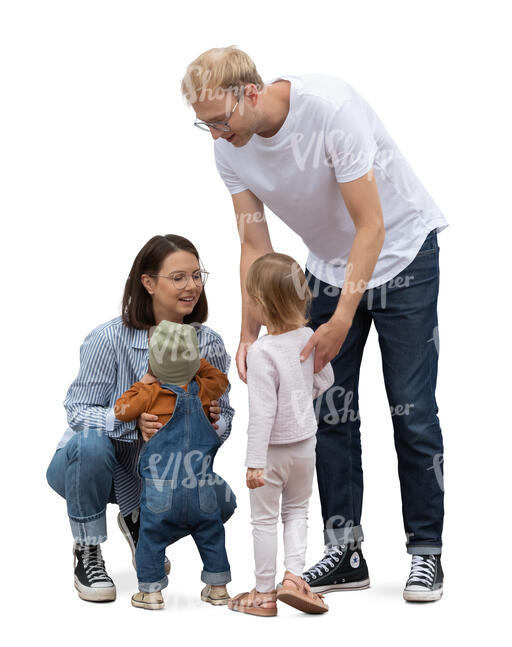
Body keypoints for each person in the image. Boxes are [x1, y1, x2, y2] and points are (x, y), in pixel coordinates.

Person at [181, 46, 447, 602]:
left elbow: (370, 225)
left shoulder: (331, 109)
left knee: (412, 410)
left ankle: (426, 554)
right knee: (325, 410)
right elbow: (254, 245)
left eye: (220, 121)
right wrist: (248, 332)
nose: (214, 135)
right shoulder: (229, 150)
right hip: (326, 268)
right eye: (202, 124)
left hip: (401, 255)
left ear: (249, 93)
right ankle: (345, 551)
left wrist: (343, 317)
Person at [46, 234, 236, 602]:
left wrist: (212, 423)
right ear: (148, 283)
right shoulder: (108, 338)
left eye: (197, 276)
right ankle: (87, 550)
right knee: (90, 443)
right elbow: (77, 411)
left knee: (220, 501)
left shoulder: (208, 342)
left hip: (164, 474)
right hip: (91, 467)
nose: (192, 286)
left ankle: (141, 523)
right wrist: (132, 423)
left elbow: (226, 412)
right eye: (178, 277)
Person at [228, 253, 332, 617]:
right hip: (306, 445)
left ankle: (263, 594)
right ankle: (293, 578)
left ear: (259, 303)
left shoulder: (261, 352)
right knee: (298, 511)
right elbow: (326, 380)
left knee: (263, 520)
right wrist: (301, 399)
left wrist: (254, 462)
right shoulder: (308, 336)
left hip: (271, 451)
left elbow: (263, 413)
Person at [115, 320, 233, 610]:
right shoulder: (205, 391)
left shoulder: (150, 394)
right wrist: (196, 364)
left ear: (154, 363)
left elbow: (120, 410)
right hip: (201, 489)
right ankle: (218, 587)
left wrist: (145, 379)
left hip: (160, 492)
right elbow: (223, 380)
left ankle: (151, 592)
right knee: (212, 533)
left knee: (151, 537)